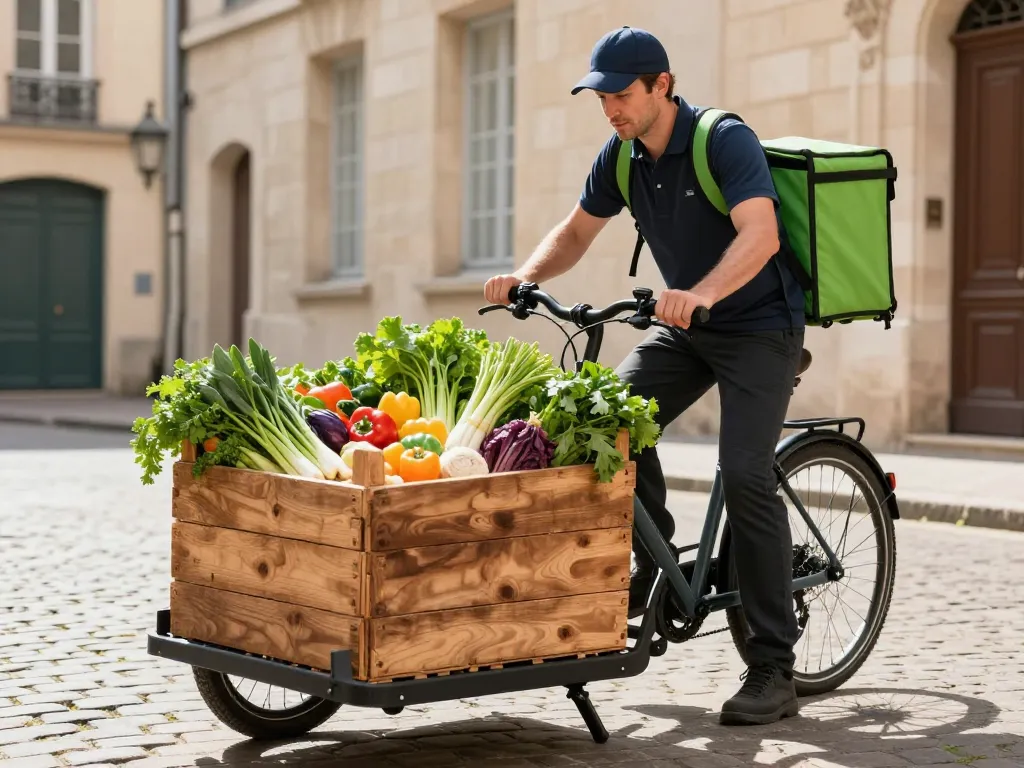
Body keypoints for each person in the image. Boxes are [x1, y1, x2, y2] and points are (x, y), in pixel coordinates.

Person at [483, 26, 807, 726]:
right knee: (606, 421)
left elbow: (762, 235)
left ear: (662, 85)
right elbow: (577, 232)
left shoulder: (724, 140)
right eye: (601, 97)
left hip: (759, 327)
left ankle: (773, 666)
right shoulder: (623, 154)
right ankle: (656, 559)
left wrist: (702, 294)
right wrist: (524, 277)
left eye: (621, 95)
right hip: (688, 329)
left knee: (745, 473)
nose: (610, 109)